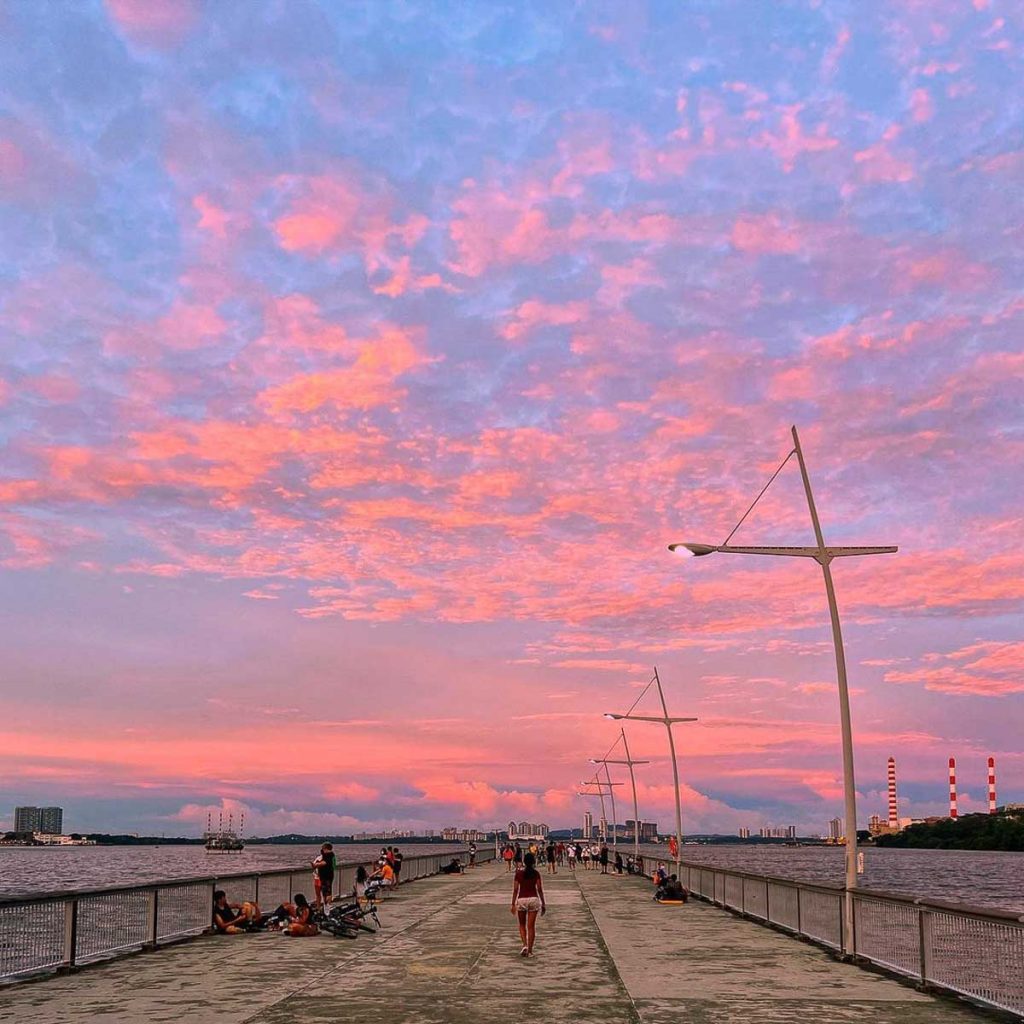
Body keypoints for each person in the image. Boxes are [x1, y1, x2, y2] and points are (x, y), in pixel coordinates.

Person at [511, 852, 546, 957]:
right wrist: (543, 903)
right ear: (533, 862)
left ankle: (524, 945)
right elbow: (539, 889)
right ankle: (530, 951)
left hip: (522, 899)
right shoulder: (536, 873)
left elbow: (516, 889)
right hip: (533, 899)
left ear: (524, 862)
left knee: (522, 925)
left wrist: (513, 903)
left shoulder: (519, 874)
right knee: (531, 927)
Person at [311, 842, 336, 909]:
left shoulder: (328, 855)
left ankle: (327, 907)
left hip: (326, 876)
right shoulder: (330, 856)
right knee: (326, 892)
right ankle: (324, 906)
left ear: (325, 848)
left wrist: (316, 865)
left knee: (327, 893)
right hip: (325, 876)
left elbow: (324, 863)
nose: (322, 850)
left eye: (323, 849)